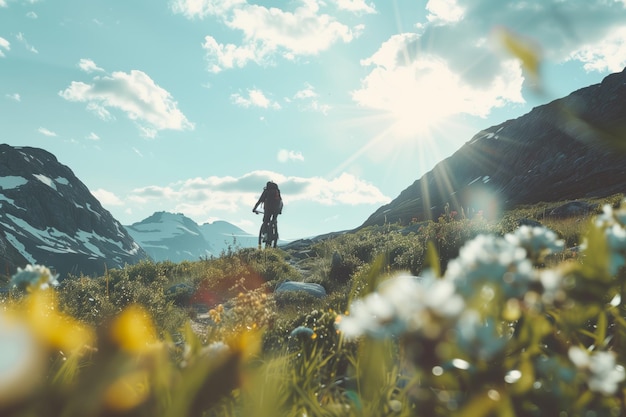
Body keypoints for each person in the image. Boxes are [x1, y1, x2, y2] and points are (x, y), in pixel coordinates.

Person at [252, 181, 283, 246]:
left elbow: (260, 201)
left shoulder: (266, 191)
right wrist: (279, 211)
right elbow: (280, 201)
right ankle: (275, 234)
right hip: (277, 209)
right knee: (274, 220)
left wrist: (254, 209)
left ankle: (266, 234)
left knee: (265, 221)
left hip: (268, 208)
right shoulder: (277, 191)